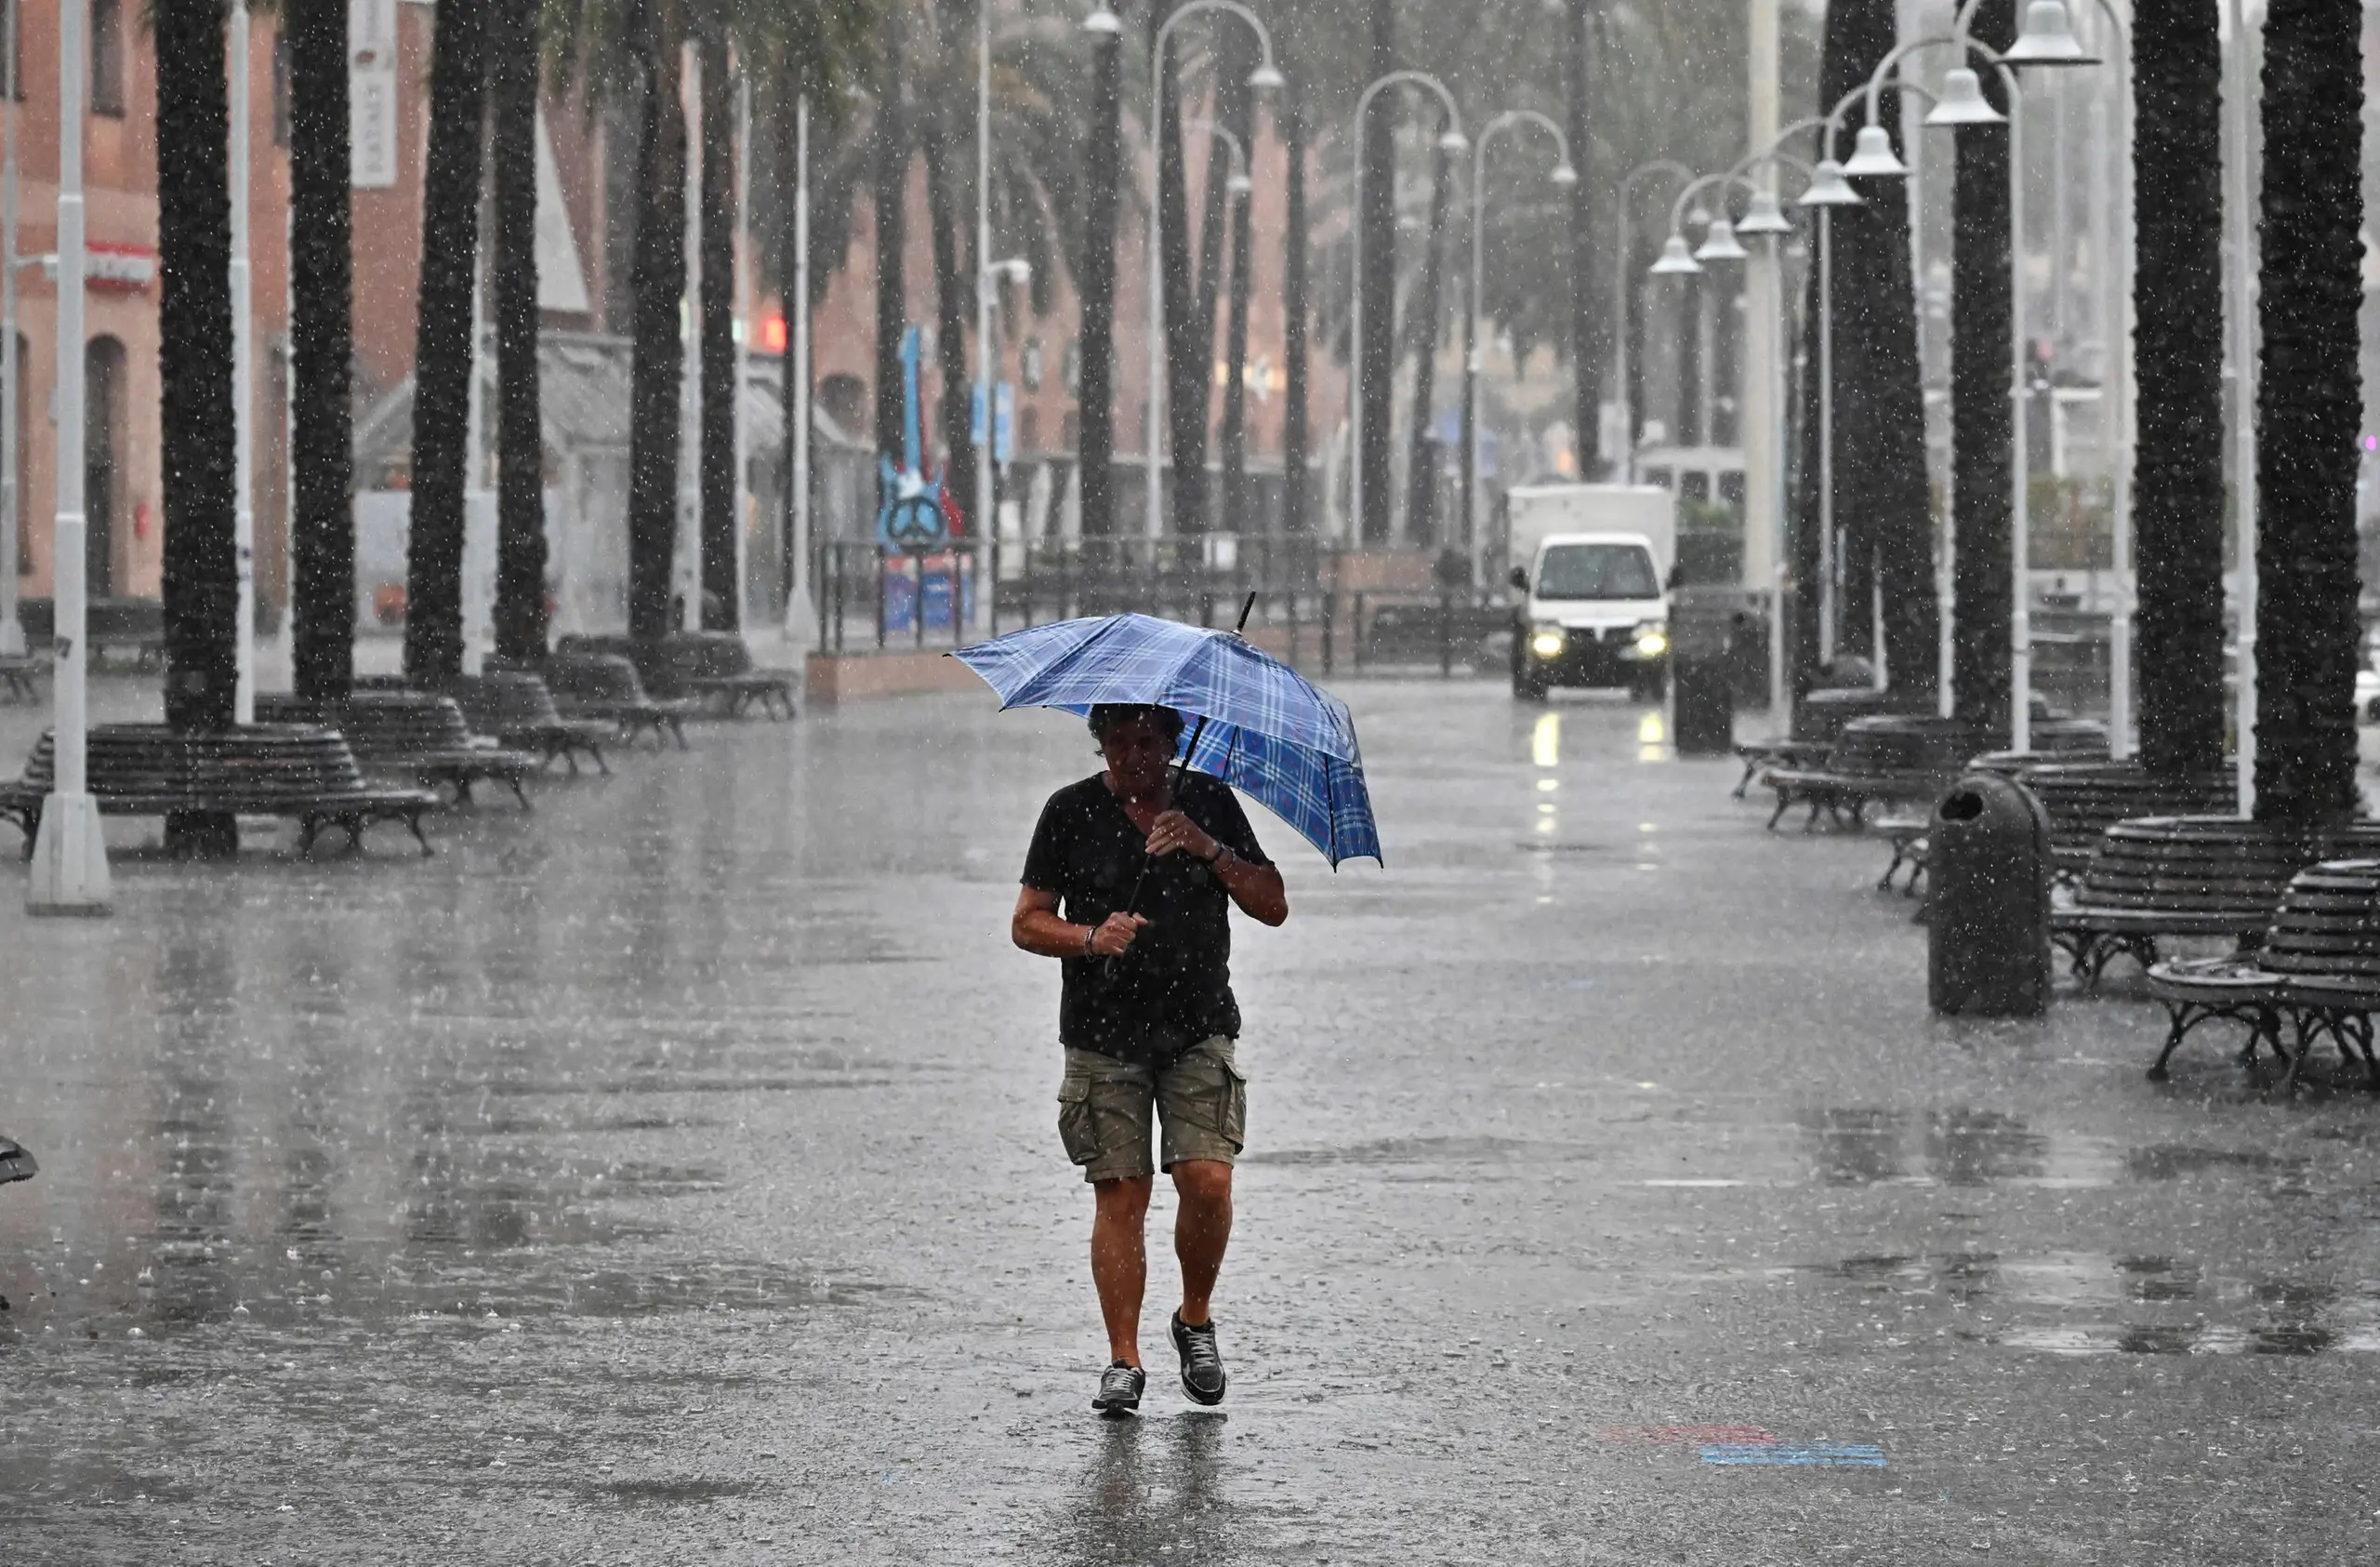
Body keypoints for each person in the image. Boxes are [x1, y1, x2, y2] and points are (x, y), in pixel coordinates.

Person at [1012, 704, 1289, 1415]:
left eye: (1147, 742)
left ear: (1172, 743)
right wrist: (1091, 935)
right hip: (1103, 1034)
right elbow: (1027, 921)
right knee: (1121, 1193)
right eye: (1117, 742)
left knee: (1206, 1180)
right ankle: (1123, 1360)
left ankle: (1194, 1318)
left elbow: (1273, 903)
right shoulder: (1069, 811)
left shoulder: (1209, 801)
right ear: (1099, 743)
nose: (1132, 756)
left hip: (1197, 1027)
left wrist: (1207, 847)